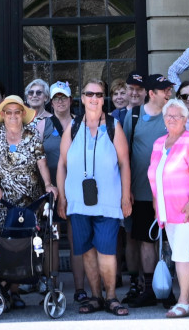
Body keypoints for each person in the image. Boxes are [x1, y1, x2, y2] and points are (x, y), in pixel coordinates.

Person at [56, 79, 131, 317]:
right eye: (90, 93)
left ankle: (111, 297)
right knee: (86, 251)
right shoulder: (73, 127)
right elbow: (62, 164)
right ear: (83, 97)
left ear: (103, 98)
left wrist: (126, 196)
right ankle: (95, 297)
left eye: (99, 94)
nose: (94, 98)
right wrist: (62, 198)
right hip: (78, 201)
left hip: (108, 201)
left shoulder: (113, 126)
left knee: (107, 251)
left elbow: (125, 164)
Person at [147, 100, 189, 319]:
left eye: (176, 116)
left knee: (180, 254)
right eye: (168, 116)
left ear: (185, 119)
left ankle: (183, 301)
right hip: (166, 208)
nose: (171, 119)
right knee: (181, 253)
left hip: (186, 208)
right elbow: (154, 176)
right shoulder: (159, 143)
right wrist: (156, 205)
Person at [121, 73, 171, 308]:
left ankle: (170, 288)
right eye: (164, 90)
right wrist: (126, 188)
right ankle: (150, 288)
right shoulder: (133, 115)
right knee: (145, 241)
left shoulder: (173, 115)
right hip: (140, 191)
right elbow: (124, 155)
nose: (168, 93)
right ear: (152, 93)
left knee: (170, 241)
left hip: (170, 191)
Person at [0, 95, 50, 210]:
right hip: (0, 200)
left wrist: (48, 184)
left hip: (30, 202)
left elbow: (42, 163)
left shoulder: (32, 133)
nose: (13, 115)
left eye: (17, 112)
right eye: (9, 112)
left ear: (23, 114)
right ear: (3, 114)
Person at [36, 82, 73, 167]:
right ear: (52, 103)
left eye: (64, 97)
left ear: (70, 100)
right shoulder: (42, 125)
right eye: (56, 98)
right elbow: (36, 157)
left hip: (75, 177)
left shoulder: (80, 123)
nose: (60, 101)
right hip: (51, 178)